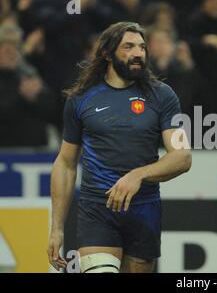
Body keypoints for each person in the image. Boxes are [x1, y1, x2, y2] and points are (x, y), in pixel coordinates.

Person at [47, 22, 191, 273]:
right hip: (97, 209)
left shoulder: (163, 96)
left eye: (142, 47)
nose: (139, 53)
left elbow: (182, 156)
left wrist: (138, 175)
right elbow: (66, 163)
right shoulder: (80, 98)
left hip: (144, 209)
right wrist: (56, 228)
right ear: (107, 53)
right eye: (129, 46)